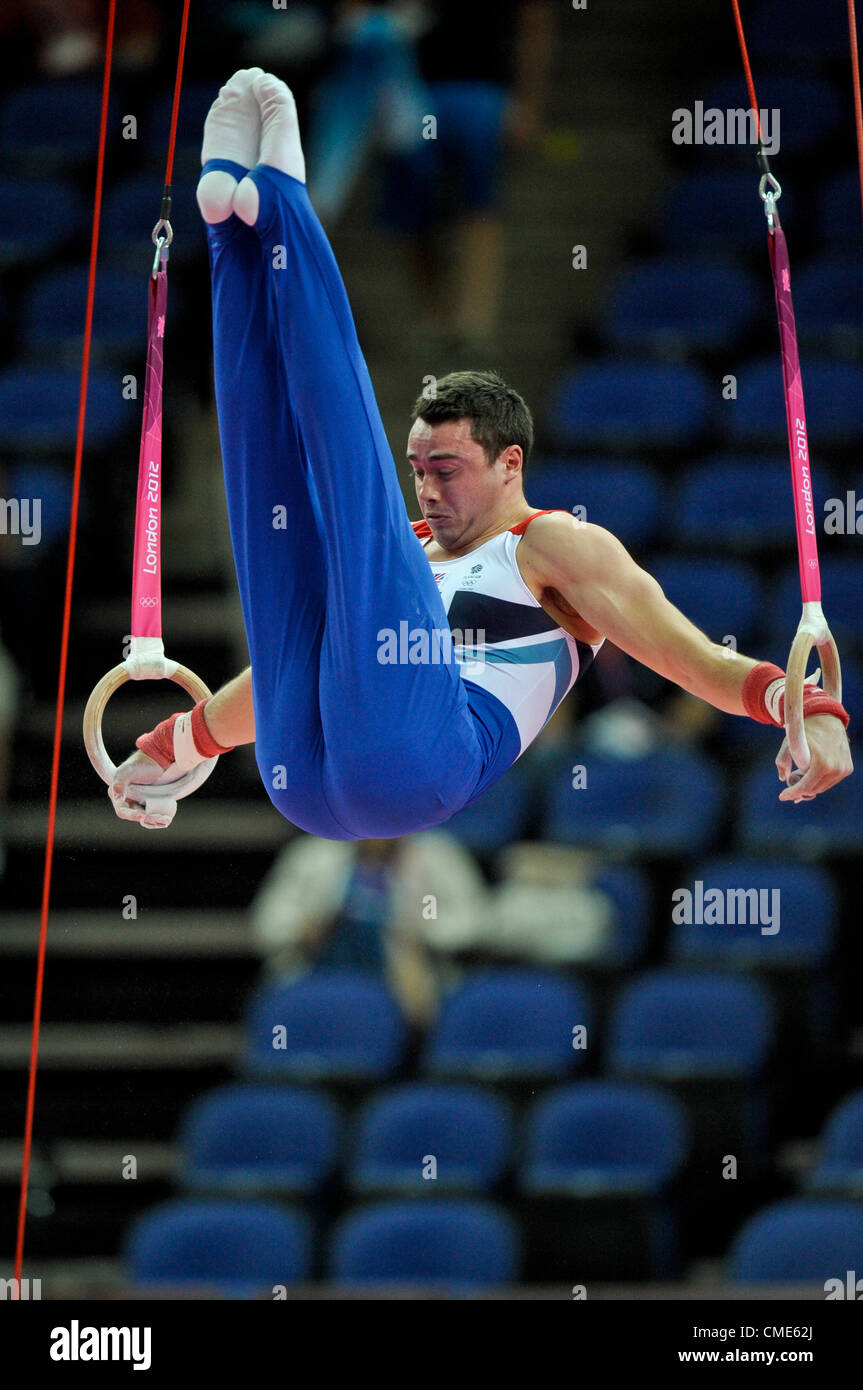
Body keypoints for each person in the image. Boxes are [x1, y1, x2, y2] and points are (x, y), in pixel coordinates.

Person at [109, 69, 852, 837]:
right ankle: (231, 235)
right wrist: (182, 743)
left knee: (351, 496)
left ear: (510, 464)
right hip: (300, 780)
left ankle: (288, 212)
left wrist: (813, 710)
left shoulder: (554, 545)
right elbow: (295, 666)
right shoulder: (409, 558)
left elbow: (693, 661)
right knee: (277, 527)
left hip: (419, 766)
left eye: (447, 469)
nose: (428, 490)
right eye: (419, 469)